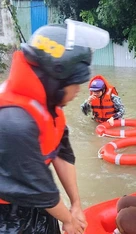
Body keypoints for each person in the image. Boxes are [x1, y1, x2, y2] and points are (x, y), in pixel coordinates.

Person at [0, 20, 109, 233]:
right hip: (8, 216)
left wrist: (76, 204)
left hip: (40, 204)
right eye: (75, 82)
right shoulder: (14, 122)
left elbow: (62, 153)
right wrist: (68, 219)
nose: (79, 89)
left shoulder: (50, 108)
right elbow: (39, 187)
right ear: (55, 78)